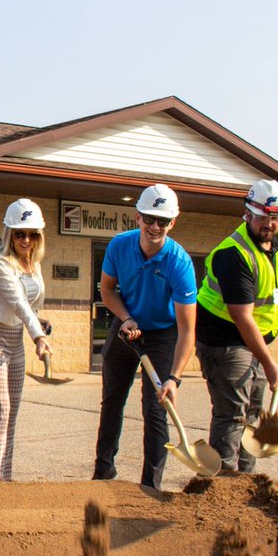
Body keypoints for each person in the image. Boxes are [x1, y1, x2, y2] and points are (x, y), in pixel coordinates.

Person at [93, 184, 197, 490]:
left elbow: (188, 330)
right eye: (149, 218)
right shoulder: (119, 246)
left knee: (155, 409)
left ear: (172, 223)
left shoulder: (180, 263)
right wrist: (125, 319)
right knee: (112, 400)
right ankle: (103, 472)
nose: (155, 226)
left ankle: (151, 486)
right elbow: (108, 290)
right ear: (137, 217)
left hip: (163, 335)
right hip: (126, 328)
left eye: (162, 221)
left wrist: (174, 378)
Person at [196, 179, 278, 473]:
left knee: (253, 412)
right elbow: (242, 317)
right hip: (223, 337)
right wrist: (269, 364)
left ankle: (247, 480)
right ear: (247, 214)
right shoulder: (234, 254)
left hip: (257, 338)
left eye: (275, 217)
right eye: (262, 216)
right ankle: (222, 483)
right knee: (232, 411)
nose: (269, 223)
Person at [0, 198, 52, 480]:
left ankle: (4, 480)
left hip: (15, 341)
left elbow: (29, 307)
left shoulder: (33, 264)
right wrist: (38, 335)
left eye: (33, 234)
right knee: (0, 412)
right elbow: (17, 303)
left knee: (13, 415)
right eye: (20, 234)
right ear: (9, 234)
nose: (26, 240)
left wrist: (39, 322)